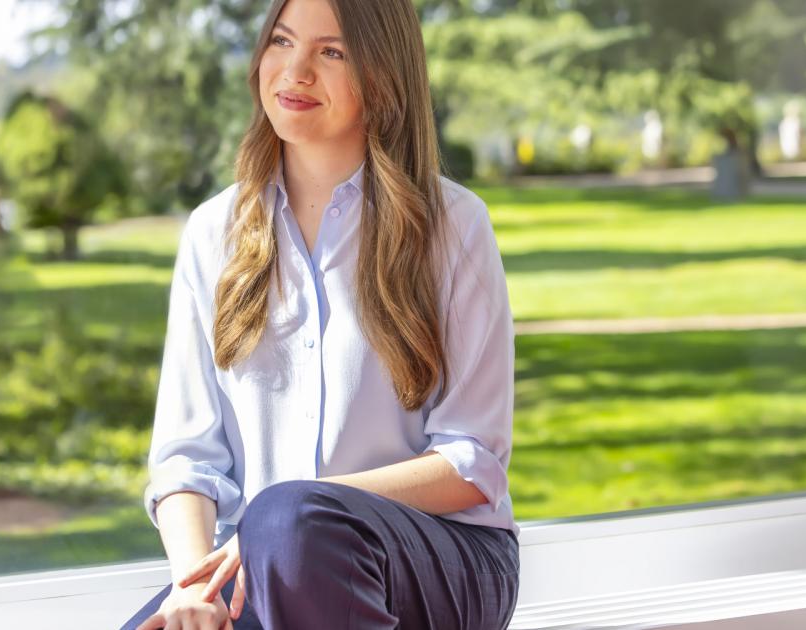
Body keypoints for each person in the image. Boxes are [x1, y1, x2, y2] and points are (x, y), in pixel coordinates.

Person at [124, 0, 519, 628]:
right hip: (260, 560)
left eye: (331, 52)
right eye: (281, 42)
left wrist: (298, 515)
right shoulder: (212, 233)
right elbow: (186, 459)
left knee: (288, 523)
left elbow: (471, 462)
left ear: (383, 73)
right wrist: (193, 587)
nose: (295, 70)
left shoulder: (453, 226)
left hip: (441, 558)